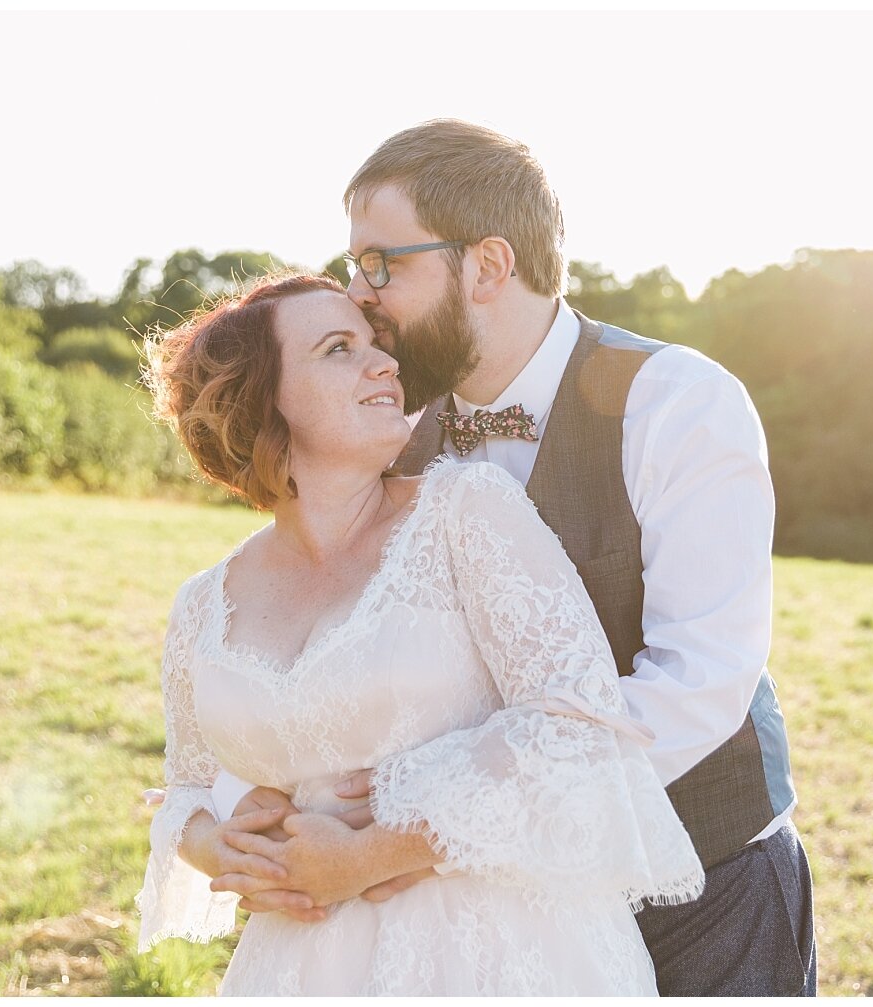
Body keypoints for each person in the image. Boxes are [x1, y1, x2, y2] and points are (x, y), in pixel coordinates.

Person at [203, 120, 817, 996]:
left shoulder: (680, 406)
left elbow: (699, 680)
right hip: (493, 921)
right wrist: (231, 810)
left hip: (703, 884)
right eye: (352, 265)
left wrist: (422, 826)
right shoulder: (389, 430)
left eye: (383, 264)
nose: (359, 294)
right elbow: (322, 648)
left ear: (488, 266)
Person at [134, 270, 703, 995]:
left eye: (376, 342)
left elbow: (579, 722)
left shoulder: (466, 512)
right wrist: (221, 847)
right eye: (339, 348)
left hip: (501, 952)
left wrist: (370, 852)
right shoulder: (201, 605)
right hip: (304, 964)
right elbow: (186, 785)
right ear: (262, 398)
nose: (386, 363)